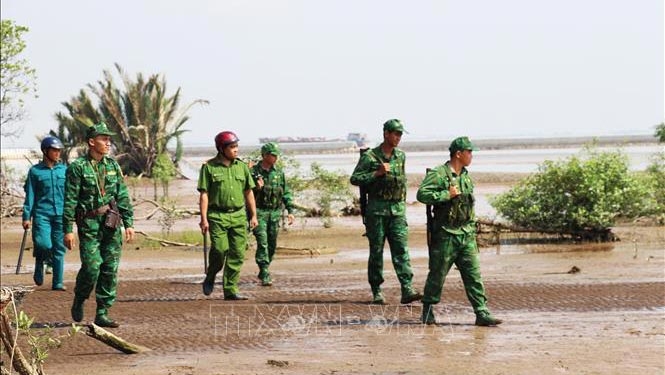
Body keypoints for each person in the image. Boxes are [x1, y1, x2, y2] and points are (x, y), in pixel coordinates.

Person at [416, 136, 503, 326]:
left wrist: (472, 228)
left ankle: (481, 312)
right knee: (437, 275)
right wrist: (446, 194)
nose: (471, 156)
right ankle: (428, 311)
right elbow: (422, 194)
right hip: (446, 234)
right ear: (458, 153)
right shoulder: (439, 173)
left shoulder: (465, 176)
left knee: (473, 275)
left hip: (466, 234)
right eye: (469, 152)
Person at [64, 122, 135, 328]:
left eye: (108, 139)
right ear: (91, 141)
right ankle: (80, 297)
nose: (108, 142)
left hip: (111, 223)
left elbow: (122, 196)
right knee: (92, 267)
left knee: (109, 269)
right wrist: (68, 230)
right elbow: (69, 200)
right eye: (104, 139)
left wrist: (129, 223)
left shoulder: (112, 166)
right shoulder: (78, 167)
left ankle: (102, 312)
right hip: (88, 224)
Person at [350, 119, 422, 305]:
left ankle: (407, 288)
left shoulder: (401, 157)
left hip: (397, 212)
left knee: (401, 251)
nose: (398, 137)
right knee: (376, 252)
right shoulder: (370, 157)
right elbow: (355, 178)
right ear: (386, 134)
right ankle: (377, 290)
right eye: (395, 134)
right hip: (377, 212)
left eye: (400, 134)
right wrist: (376, 174)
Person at [198, 131, 258, 299]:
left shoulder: (242, 167)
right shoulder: (209, 168)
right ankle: (211, 275)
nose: (236, 150)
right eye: (232, 147)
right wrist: (203, 219)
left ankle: (230, 290)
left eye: (236, 146)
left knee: (237, 254)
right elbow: (204, 194)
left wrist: (253, 216)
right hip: (217, 216)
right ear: (221, 149)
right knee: (219, 249)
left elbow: (248, 193)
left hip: (239, 215)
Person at [22, 136, 67, 290]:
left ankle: (58, 282)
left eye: (59, 150)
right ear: (45, 151)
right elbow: (30, 194)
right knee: (43, 244)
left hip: (61, 214)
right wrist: (26, 216)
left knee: (59, 248)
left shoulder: (64, 170)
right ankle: (40, 261)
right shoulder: (35, 171)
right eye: (54, 150)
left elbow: (71, 193)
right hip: (42, 214)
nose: (58, 153)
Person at [251, 142, 296, 286]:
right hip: (259, 212)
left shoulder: (278, 173)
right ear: (264, 155)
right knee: (262, 243)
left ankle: (264, 267)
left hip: (275, 213)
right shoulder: (253, 172)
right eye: (272, 155)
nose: (275, 158)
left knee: (272, 244)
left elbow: (286, 193)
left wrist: (290, 210)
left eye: (276, 155)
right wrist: (256, 188)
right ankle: (264, 272)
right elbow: (246, 194)